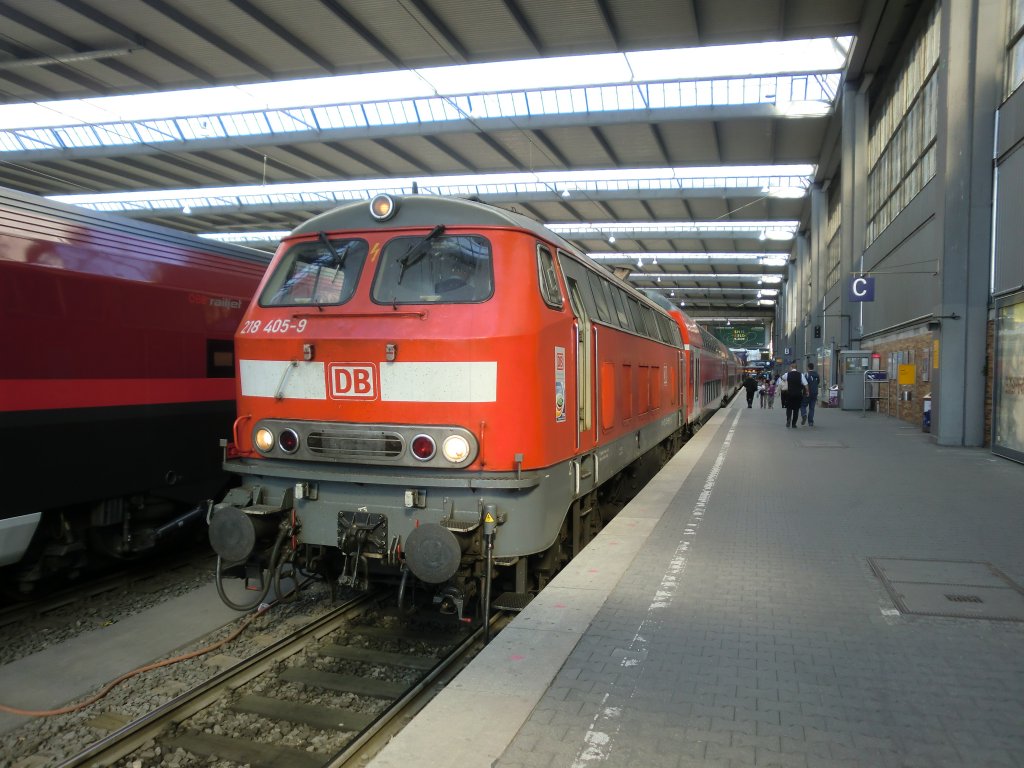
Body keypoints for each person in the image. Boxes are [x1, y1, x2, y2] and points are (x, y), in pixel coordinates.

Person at [782, 362, 807, 428]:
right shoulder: (801, 375)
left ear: (791, 367)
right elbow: (805, 384)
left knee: (789, 408)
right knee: (796, 409)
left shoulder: (787, 374)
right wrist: (807, 391)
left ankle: (788, 419)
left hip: (789, 394)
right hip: (798, 395)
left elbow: (783, 378)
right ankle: (794, 424)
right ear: (796, 368)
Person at [801, 362, 820, 426]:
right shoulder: (816, 374)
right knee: (812, 408)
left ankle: (804, 414)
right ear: (813, 367)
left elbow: (803, 383)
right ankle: (810, 422)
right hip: (814, 393)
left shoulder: (806, 374)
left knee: (803, 405)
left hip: (807, 393)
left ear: (808, 367)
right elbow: (818, 382)